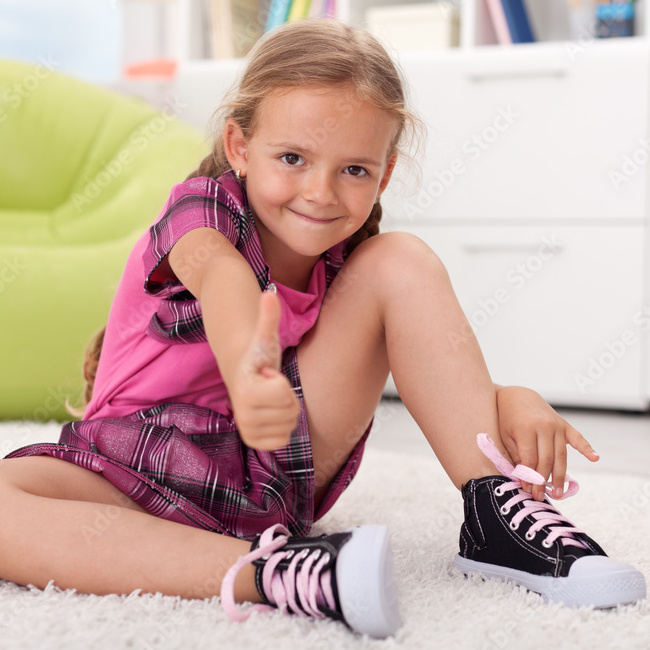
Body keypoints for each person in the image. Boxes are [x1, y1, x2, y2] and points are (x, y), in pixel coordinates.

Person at [0, 18, 645, 639]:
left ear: (384, 173)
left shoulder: (351, 260)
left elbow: (429, 355)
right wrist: (247, 363)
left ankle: (495, 510)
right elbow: (222, 280)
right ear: (238, 148)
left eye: (354, 169)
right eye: (292, 157)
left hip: (276, 473)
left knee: (402, 260)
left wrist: (508, 400)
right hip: (131, 473)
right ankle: (278, 575)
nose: (321, 191)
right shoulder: (199, 212)